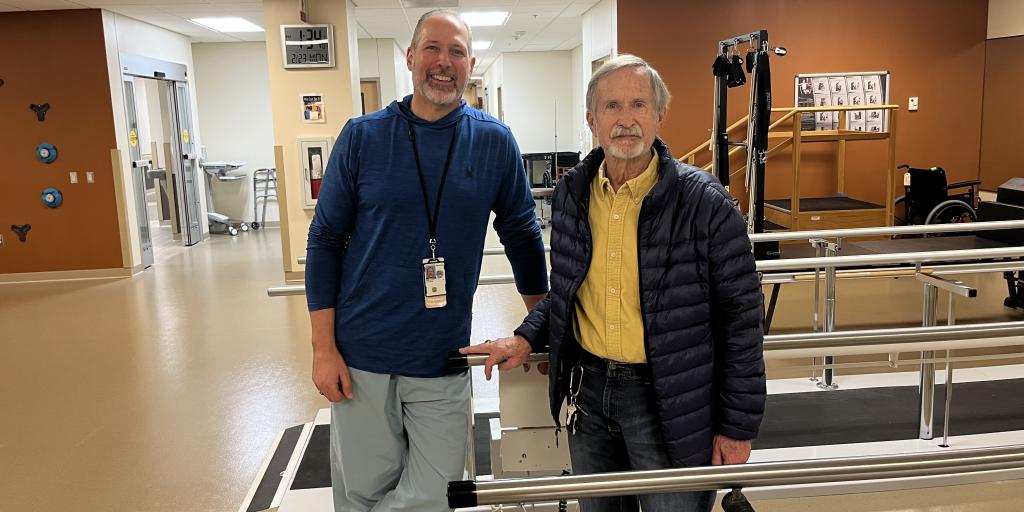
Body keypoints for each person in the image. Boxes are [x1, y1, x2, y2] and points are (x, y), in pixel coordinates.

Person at [462, 54, 766, 512]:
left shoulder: (704, 203)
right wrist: (526, 337)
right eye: (612, 106)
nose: (626, 120)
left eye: (639, 105)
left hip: (671, 401)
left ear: (660, 115)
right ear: (592, 120)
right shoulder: (573, 194)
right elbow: (569, 292)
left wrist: (737, 426)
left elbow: (742, 319)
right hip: (589, 394)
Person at [305, 9, 548, 512]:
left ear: (470, 65)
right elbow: (325, 240)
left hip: (442, 354)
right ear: (411, 57)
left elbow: (522, 236)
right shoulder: (363, 136)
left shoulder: (494, 141)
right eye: (432, 49)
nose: (443, 62)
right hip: (362, 356)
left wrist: (541, 328)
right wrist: (322, 348)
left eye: (456, 52)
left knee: (438, 494)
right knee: (363, 492)